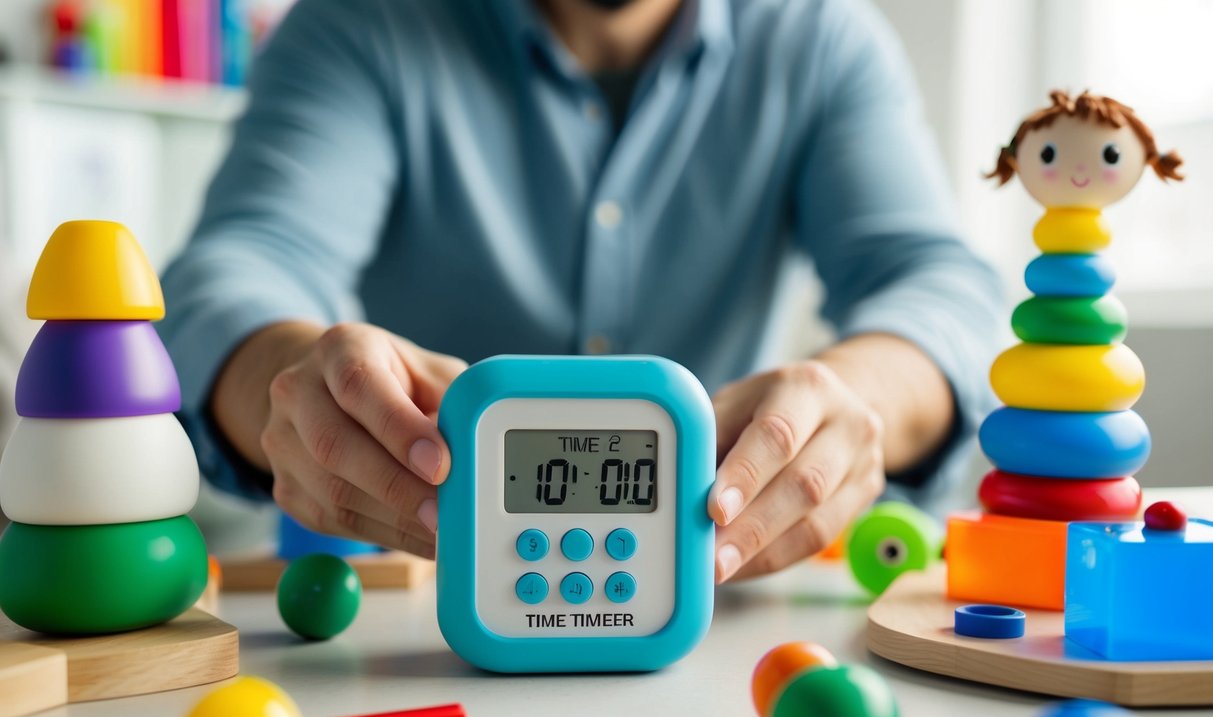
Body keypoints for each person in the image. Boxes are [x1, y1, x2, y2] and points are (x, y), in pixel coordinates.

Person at [158, 0, 1001, 583]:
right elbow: (232, 273)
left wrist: (853, 400)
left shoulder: (821, 40)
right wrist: (295, 377)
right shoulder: (362, 22)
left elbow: (941, 290)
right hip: (415, 606)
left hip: (715, 605)